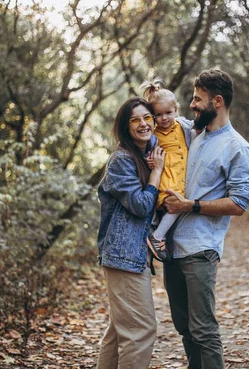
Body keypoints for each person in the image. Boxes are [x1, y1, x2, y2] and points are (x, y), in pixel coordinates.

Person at [162, 69, 249, 369]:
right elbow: (162, 118)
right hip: (172, 247)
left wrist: (191, 205)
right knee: (183, 325)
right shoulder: (194, 133)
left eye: (197, 100)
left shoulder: (236, 147)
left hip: (201, 249)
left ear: (217, 101)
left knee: (203, 329)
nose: (192, 105)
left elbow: (240, 203)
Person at [96, 96, 166, 369]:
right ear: (125, 127)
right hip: (122, 257)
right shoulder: (122, 160)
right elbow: (140, 205)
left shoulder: (145, 154)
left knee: (118, 332)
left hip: (131, 256)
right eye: (135, 119)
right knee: (141, 330)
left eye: (147, 117)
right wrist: (156, 174)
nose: (143, 124)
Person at [140, 79, 195, 262]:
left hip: (182, 175)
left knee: (180, 205)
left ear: (176, 110)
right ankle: (157, 236)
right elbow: (147, 153)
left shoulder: (184, 126)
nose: (164, 118)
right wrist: (149, 160)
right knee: (175, 204)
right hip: (167, 176)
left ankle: (162, 236)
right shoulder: (153, 134)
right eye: (159, 115)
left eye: (168, 113)